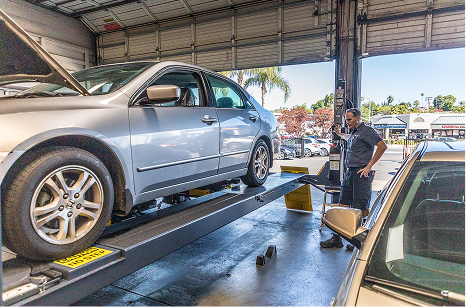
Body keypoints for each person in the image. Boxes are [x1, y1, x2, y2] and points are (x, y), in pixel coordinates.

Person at [320, 108, 387, 250]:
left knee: (362, 207)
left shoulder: (367, 131)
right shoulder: (354, 133)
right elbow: (350, 139)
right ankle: (337, 238)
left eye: (350, 119)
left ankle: (361, 239)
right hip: (349, 173)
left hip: (361, 173)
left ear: (358, 118)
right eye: (346, 120)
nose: (347, 122)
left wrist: (369, 166)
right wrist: (339, 134)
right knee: (342, 205)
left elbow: (382, 146)